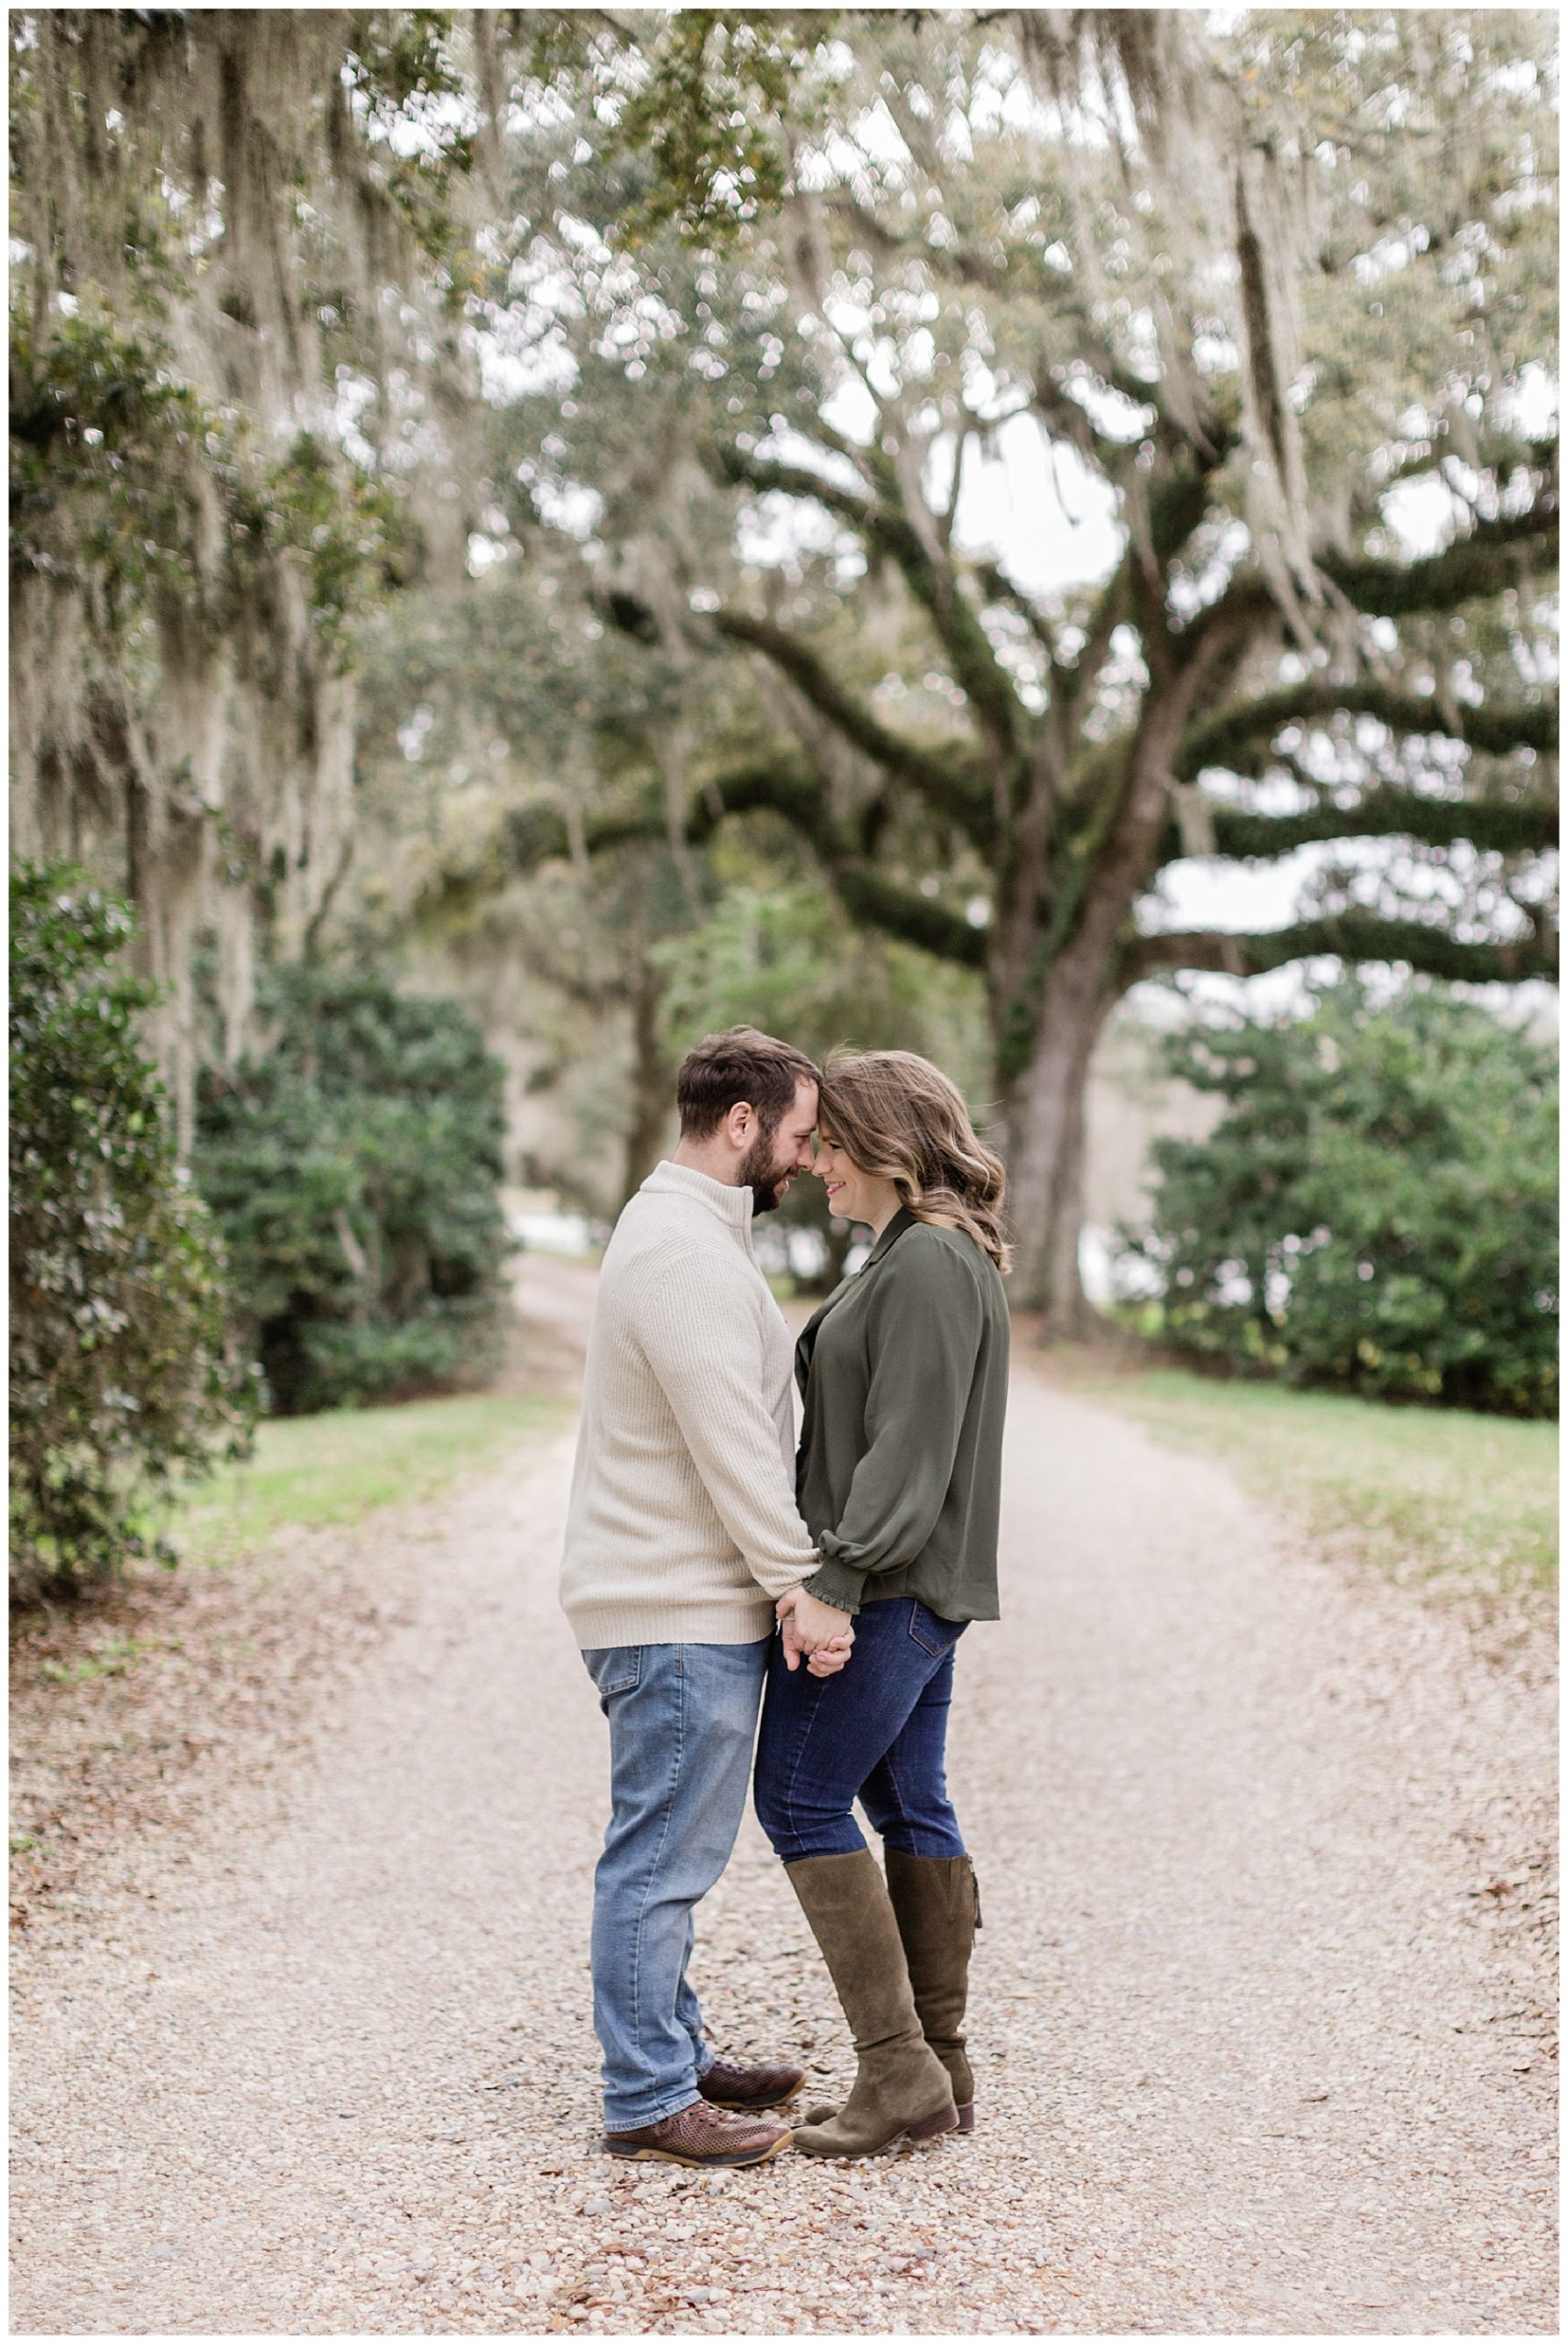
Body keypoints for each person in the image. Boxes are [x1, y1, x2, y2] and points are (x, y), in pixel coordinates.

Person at [559, 1027, 853, 2170]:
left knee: (671, 1848)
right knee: (661, 1858)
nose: (800, 1155)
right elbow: (731, 1438)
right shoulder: (681, 1249)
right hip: (672, 1609)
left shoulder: (689, 1230)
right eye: (793, 1133)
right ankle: (645, 2096)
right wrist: (796, 1582)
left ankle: (672, 2050)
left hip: (682, 1606)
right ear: (742, 1124)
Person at [759, 1048, 1011, 2158]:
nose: (814, 1162)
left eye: (829, 1142)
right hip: (916, 1588)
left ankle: (896, 2065)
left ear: (886, 1142)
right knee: (911, 1805)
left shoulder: (927, 1265)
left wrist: (833, 1582)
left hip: (893, 1587)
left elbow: (909, 1454)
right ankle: (938, 2064)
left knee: (801, 1799)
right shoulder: (911, 1252)